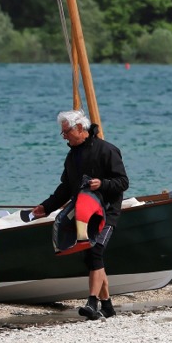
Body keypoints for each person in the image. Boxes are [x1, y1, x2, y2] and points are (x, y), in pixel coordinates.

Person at [30, 109, 129, 321]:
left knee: (95, 251)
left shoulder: (107, 150)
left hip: (107, 210)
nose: (64, 136)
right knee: (90, 255)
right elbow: (65, 188)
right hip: (83, 211)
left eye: (66, 132)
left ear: (79, 128)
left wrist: (102, 184)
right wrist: (45, 207)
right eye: (62, 133)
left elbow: (123, 183)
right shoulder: (71, 156)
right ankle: (108, 306)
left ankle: (92, 302)